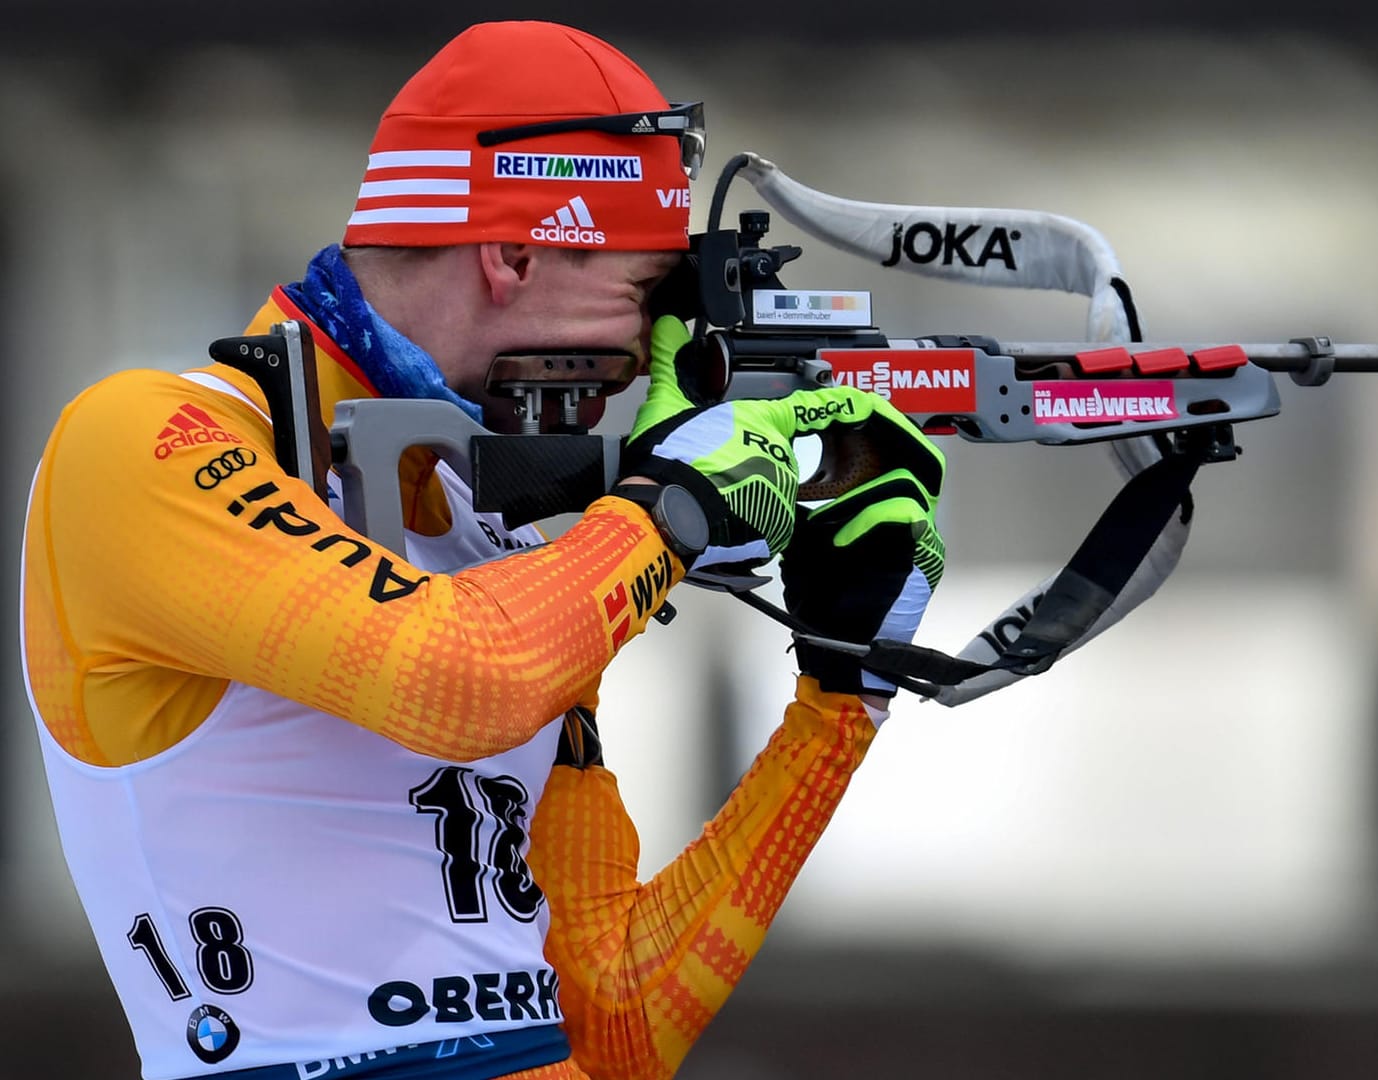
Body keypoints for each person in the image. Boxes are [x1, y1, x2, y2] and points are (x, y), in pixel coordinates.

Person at [19, 21, 946, 1080]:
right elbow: (460, 681)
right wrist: (670, 506)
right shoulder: (144, 438)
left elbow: (619, 1022)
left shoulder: (488, 525)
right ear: (512, 252)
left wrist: (842, 703)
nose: (654, 354)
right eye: (645, 296)